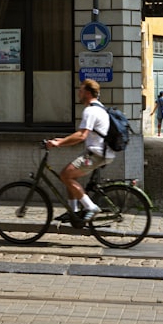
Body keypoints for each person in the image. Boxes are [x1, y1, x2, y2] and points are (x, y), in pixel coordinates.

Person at [46, 79, 116, 227]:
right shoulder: (100, 108)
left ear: (88, 93)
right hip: (100, 152)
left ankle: (91, 207)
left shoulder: (90, 111)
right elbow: (81, 136)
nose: (79, 93)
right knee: (69, 177)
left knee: (65, 175)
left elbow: (81, 135)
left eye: (81, 90)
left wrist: (58, 143)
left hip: (96, 155)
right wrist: (63, 141)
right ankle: (74, 213)